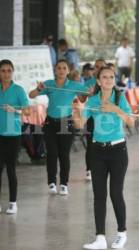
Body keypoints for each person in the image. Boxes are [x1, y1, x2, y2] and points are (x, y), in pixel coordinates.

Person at [72, 66, 134, 249]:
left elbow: (131, 121)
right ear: (98, 81)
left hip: (118, 151)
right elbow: (79, 124)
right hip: (97, 151)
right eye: (104, 77)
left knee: (116, 193)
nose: (108, 80)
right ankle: (100, 237)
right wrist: (76, 110)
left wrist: (115, 109)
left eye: (111, 77)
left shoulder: (120, 98)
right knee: (99, 195)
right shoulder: (92, 101)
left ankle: (122, 233)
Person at [29, 59, 89, 195]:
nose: (61, 70)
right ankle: (51, 182)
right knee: (52, 153)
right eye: (59, 68)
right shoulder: (49, 84)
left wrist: (87, 94)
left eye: (64, 68)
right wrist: (39, 89)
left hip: (66, 123)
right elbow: (31, 95)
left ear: (68, 71)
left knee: (63, 154)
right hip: (50, 123)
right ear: (55, 70)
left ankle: (63, 184)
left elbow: (85, 97)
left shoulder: (74, 85)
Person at [0, 59, 30, 214]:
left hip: (13, 135)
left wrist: (15, 110)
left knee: (11, 169)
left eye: (8, 71)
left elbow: (28, 111)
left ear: (12, 72)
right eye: (3, 71)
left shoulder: (18, 90)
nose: (6, 74)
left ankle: (13, 202)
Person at [84, 59, 106, 181]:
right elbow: (82, 99)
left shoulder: (109, 81)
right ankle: (89, 169)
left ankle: (102, 167)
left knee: (103, 144)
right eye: (96, 66)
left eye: (101, 66)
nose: (98, 68)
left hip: (106, 120)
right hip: (92, 118)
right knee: (91, 144)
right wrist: (87, 94)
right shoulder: (89, 82)